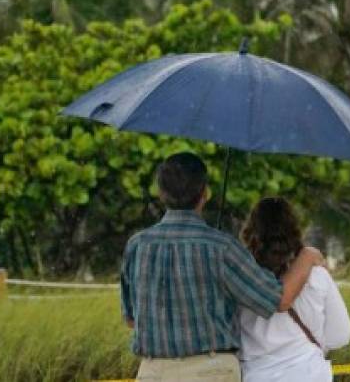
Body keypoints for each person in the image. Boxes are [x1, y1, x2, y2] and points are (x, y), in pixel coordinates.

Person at [120, 152, 324, 382]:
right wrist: (307, 256)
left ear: (160, 193)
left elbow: (131, 319)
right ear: (204, 194)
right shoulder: (222, 248)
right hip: (211, 371)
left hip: (152, 372)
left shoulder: (137, 246)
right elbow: (279, 299)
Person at [239, 197, 350, 382]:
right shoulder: (317, 276)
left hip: (257, 376)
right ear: (294, 232)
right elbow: (341, 335)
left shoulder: (240, 278)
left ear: (251, 233)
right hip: (309, 374)